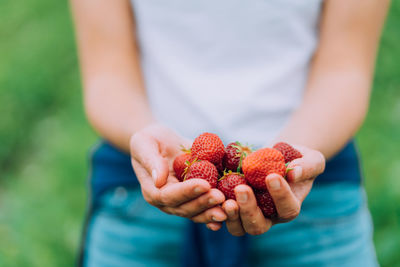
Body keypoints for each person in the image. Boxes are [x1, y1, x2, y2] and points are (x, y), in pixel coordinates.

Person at [70, 0, 389, 266]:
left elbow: (345, 68)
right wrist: (145, 138)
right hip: (144, 188)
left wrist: (287, 157)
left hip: (312, 187)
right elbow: (106, 74)